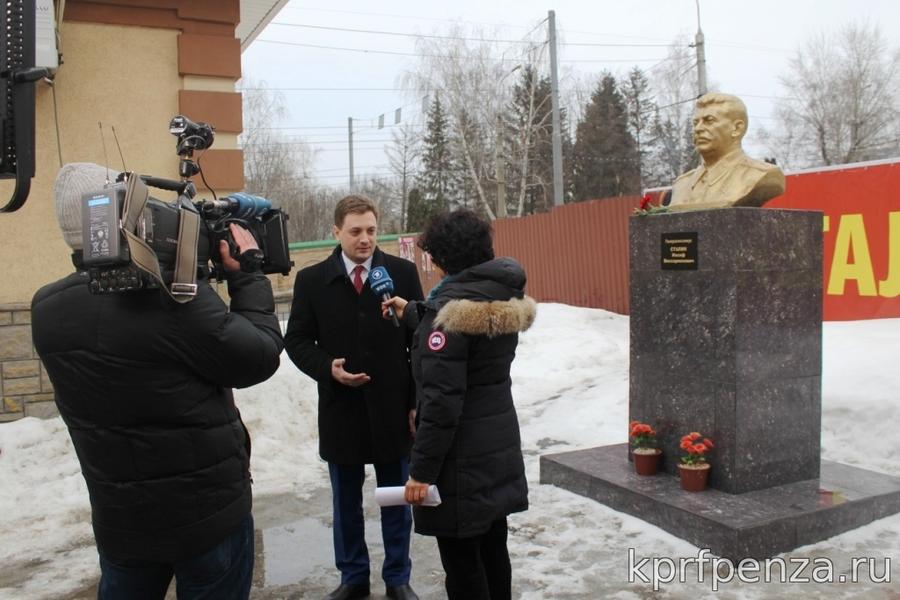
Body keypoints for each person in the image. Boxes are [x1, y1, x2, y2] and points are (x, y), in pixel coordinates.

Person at [31, 163, 284, 599]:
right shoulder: (172, 300)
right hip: (207, 519)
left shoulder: (46, 308)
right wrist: (247, 276)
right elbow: (257, 356)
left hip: (121, 523)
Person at [384, 209, 535, 600]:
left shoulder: (448, 316)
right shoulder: (497, 292)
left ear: (443, 259)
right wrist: (416, 312)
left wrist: (421, 474)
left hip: (460, 465)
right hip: (494, 451)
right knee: (492, 551)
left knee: (463, 567)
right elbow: (463, 334)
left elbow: (440, 405)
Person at [284, 195, 424, 600]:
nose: (365, 240)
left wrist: (416, 401)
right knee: (346, 502)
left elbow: (418, 343)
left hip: (392, 407)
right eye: (355, 231)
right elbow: (295, 340)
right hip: (340, 409)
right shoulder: (312, 281)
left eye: (371, 230)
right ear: (336, 232)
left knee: (396, 497)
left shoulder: (400, 272)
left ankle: (397, 577)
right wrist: (328, 367)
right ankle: (353, 577)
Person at [669, 92, 785, 208]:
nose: (698, 129)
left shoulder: (762, 175)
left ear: (737, 128)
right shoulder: (682, 184)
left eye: (709, 121)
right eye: (695, 123)